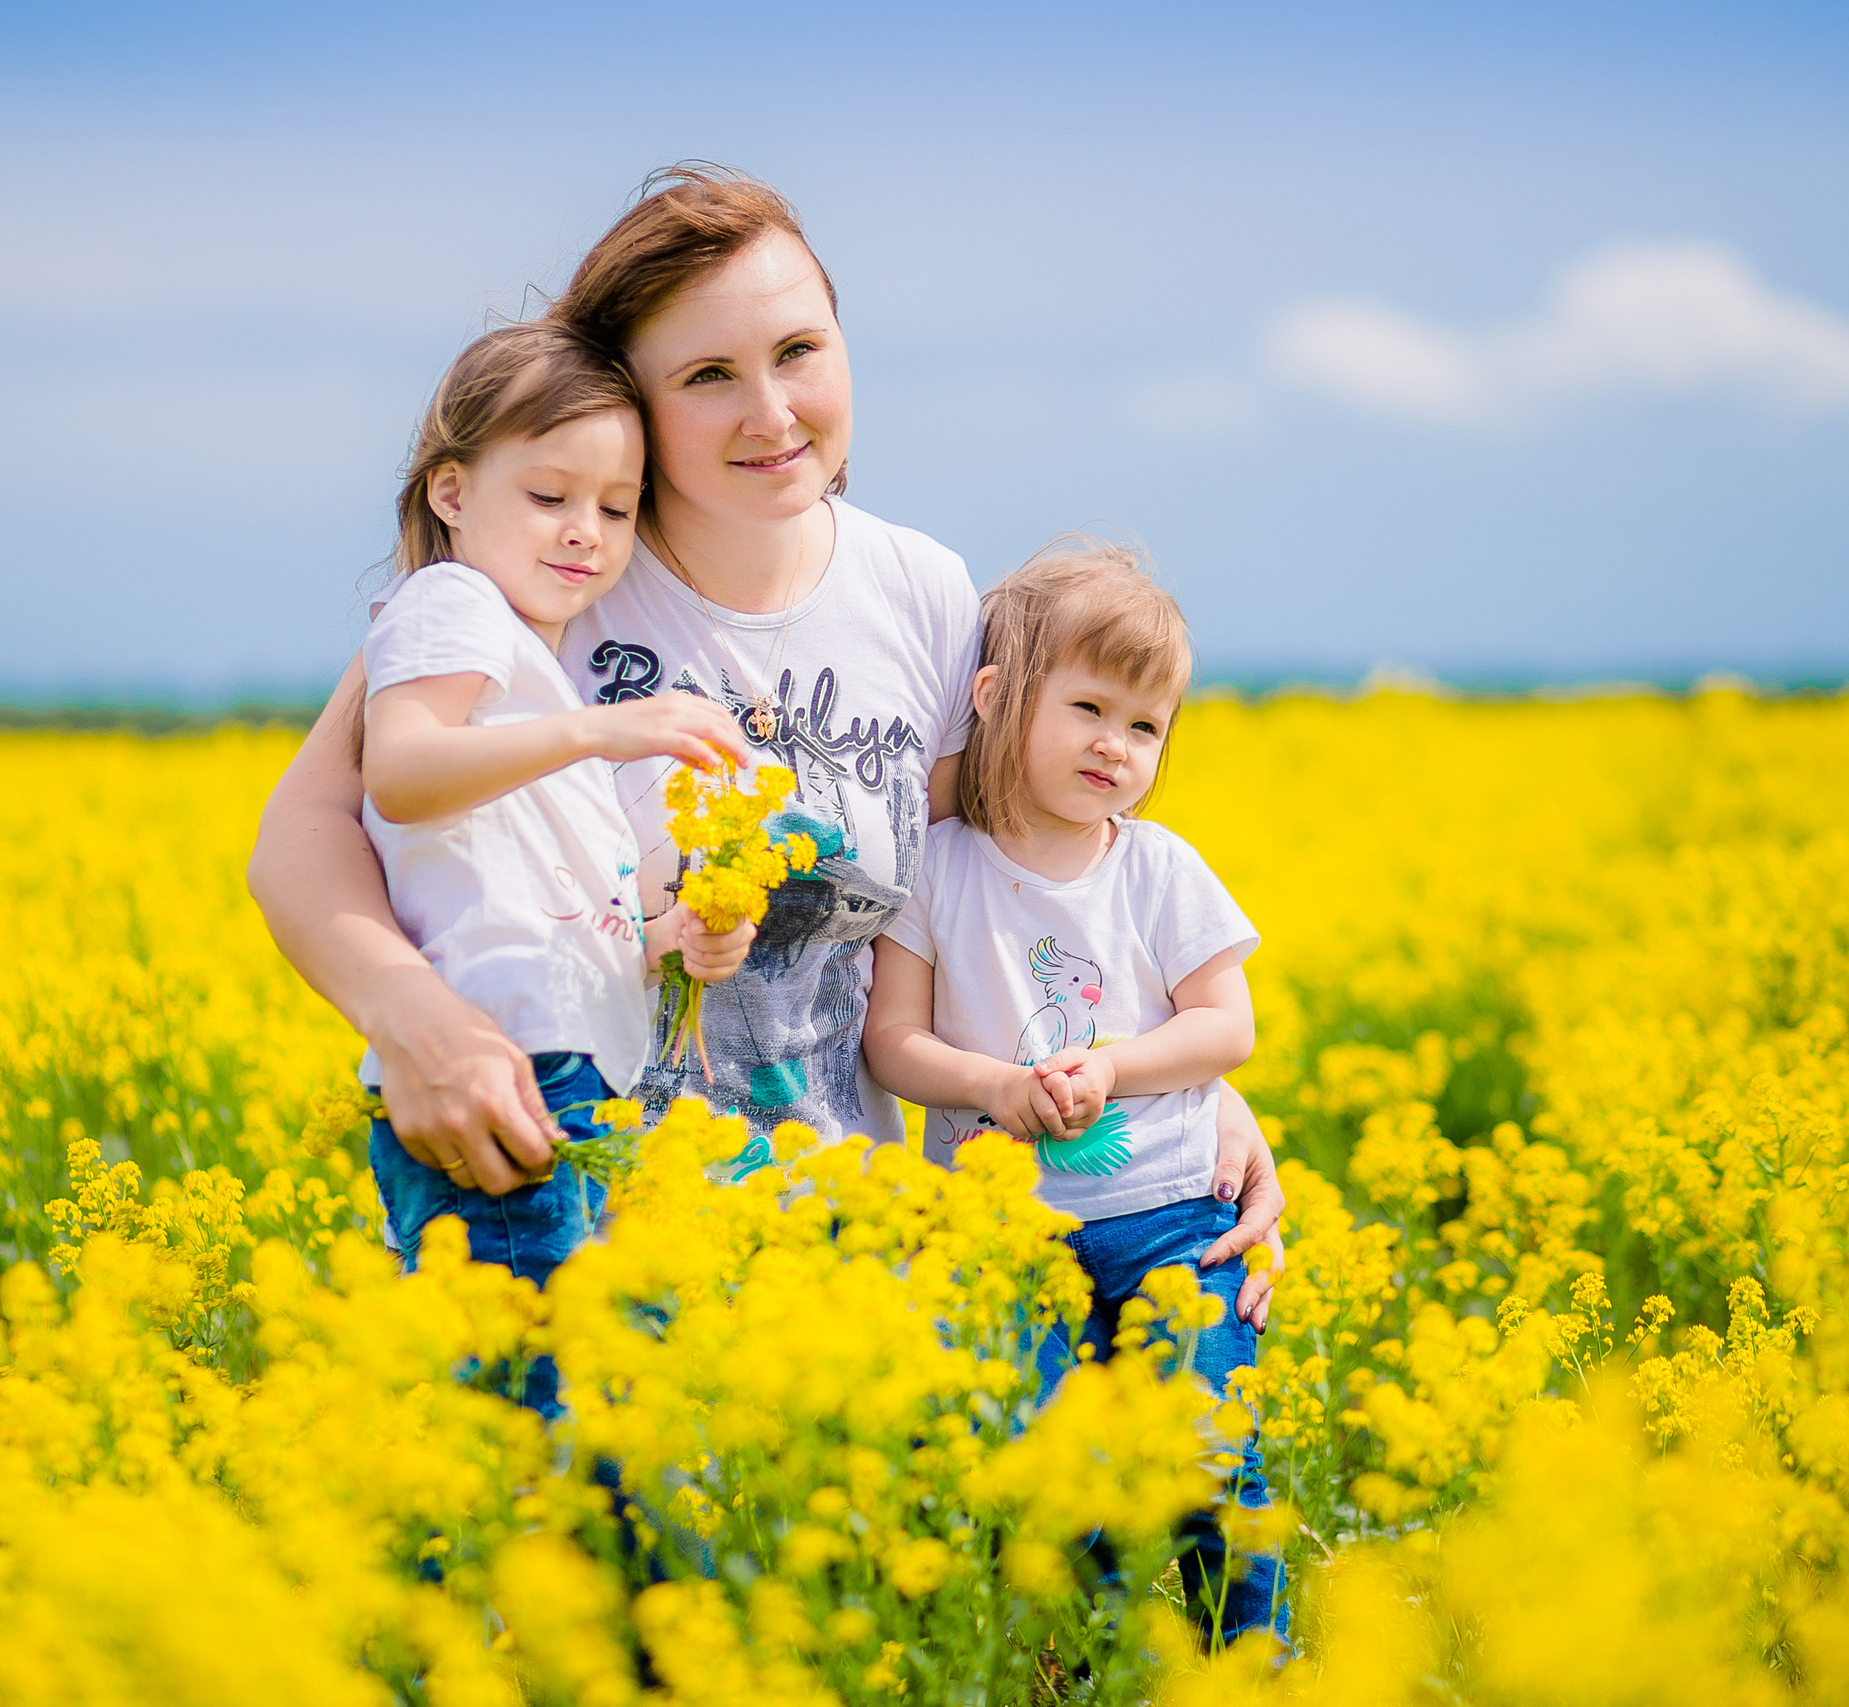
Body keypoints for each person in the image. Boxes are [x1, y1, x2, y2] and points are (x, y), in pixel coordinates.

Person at [245, 166, 1287, 1320]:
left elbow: (990, 900)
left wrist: (1186, 1102)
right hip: (572, 1211)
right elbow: (303, 833)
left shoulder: (926, 594)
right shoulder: (547, 566)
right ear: (629, 403)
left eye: (799, 351)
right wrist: (413, 1019)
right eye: (706, 376)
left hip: (853, 1248)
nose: (773, 413)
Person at [862, 539, 1288, 1650]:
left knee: (1205, 1459)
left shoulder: (1156, 867)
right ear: (999, 701)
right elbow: (891, 1042)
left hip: (1173, 1223)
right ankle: (1076, 1663)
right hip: (1002, 1238)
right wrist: (994, 1087)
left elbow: (1224, 1026)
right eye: (1089, 708)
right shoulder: (937, 866)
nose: (1116, 746)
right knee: (1044, 1476)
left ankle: (1250, 1665)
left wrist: (1110, 1065)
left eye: (1144, 726)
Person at [352, 320, 758, 1352]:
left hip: (567, 1066)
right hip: (508, 1068)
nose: (586, 530)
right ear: (451, 494)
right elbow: (396, 773)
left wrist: (673, 940)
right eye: (548, 497)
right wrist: (602, 728)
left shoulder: (531, 668)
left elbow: (549, 898)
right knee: (534, 1403)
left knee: (574, 1395)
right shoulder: (453, 604)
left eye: (615, 508)